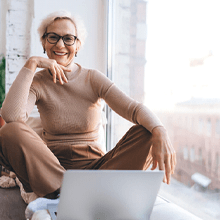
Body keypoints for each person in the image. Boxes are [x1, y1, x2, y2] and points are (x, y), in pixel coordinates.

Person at [0, 10, 176, 217]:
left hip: (98, 171)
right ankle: (67, 195)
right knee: (10, 130)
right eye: (53, 37)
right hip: (52, 171)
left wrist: (160, 130)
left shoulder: (93, 78)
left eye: (68, 38)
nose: (60, 45)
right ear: (44, 42)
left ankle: (70, 197)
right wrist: (32, 64)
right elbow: (12, 116)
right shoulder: (38, 81)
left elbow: (134, 109)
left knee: (147, 132)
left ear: (78, 45)